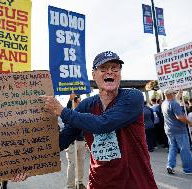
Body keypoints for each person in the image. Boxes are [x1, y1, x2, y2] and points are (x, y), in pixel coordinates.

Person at [41, 51, 157, 188]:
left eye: (115, 68)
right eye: (103, 69)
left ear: (120, 73)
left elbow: (103, 124)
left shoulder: (133, 97)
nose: (110, 72)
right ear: (94, 75)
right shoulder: (86, 105)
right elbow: (63, 139)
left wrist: (62, 111)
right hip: (98, 183)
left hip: (135, 182)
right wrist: (25, 165)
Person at [161, 88, 192, 175]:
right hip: (179, 129)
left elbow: (175, 101)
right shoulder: (174, 104)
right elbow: (180, 117)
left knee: (173, 148)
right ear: (171, 95)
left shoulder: (164, 103)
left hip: (169, 129)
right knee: (185, 149)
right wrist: (189, 122)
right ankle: (188, 169)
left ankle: (170, 165)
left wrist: (179, 93)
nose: (175, 95)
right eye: (174, 93)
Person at [65, 94, 86, 189]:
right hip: (72, 142)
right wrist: (70, 100)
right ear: (74, 101)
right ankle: (70, 186)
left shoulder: (82, 112)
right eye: (78, 101)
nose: (80, 102)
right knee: (72, 164)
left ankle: (80, 182)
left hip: (81, 141)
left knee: (81, 163)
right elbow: (66, 111)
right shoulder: (69, 111)